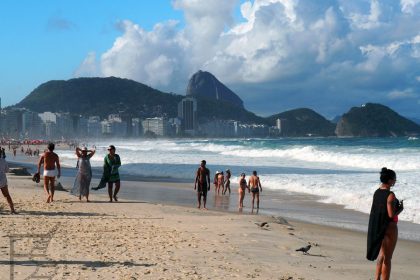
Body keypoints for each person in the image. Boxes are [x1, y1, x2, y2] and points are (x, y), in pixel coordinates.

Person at [367, 167, 403, 280]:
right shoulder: (390, 194)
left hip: (379, 227)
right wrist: (401, 208)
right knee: (388, 258)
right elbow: (391, 214)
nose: (395, 181)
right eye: (394, 179)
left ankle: (377, 278)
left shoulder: (376, 192)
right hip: (390, 227)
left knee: (382, 255)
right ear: (390, 180)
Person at [0, 148, 16, 214]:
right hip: (2, 179)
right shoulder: (3, 160)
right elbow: (7, 170)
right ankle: (12, 210)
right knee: (7, 195)